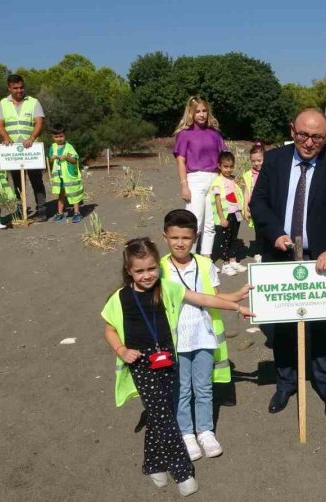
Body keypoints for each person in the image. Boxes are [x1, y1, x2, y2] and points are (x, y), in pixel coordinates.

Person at [100, 237, 253, 497]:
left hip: (168, 358)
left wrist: (237, 306)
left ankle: (153, 464)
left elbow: (203, 299)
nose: (147, 275)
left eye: (151, 268)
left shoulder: (167, 288)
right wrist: (121, 350)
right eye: (139, 270)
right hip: (140, 361)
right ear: (129, 271)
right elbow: (109, 329)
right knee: (164, 415)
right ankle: (182, 472)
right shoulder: (120, 298)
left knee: (161, 411)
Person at [249, 108, 326, 420]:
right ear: (292, 130)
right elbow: (258, 203)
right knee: (283, 325)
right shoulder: (274, 159)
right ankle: (286, 382)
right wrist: (275, 233)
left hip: (322, 258)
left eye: (317, 137)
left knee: (325, 325)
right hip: (281, 254)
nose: (309, 143)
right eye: (303, 135)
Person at [160, 210, 243, 462]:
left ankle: (205, 431)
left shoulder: (206, 265)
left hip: (205, 337)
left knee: (204, 387)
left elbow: (214, 297)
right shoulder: (159, 268)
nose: (180, 243)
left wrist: (237, 297)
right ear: (165, 237)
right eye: (174, 237)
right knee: (182, 388)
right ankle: (186, 433)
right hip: (177, 342)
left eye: (186, 237)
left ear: (195, 237)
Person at [174, 96, 228, 258]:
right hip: (195, 180)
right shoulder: (184, 134)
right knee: (194, 221)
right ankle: (189, 258)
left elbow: (224, 157)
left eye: (204, 111)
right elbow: (181, 160)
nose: (202, 114)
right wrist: (184, 185)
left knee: (210, 223)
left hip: (214, 179)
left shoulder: (214, 134)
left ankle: (206, 258)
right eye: (197, 111)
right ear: (191, 113)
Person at [0, 74, 47, 221]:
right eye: (15, 88)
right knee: (17, 182)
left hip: (31, 149)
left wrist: (31, 138)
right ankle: (20, 209)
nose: (19, 90)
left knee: (36, 180)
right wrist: (6, 137)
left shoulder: (33, 102)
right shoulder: (3, 103)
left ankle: (42, 210)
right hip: (12, 150)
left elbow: (39, 122)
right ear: (9, 88)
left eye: (21, 87)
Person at [209, 151, 246, 275]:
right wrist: (221, 218)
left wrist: (241, 210)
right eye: (225, 166)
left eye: (231, 166)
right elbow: (217, 201)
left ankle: (233, 260)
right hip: (226, 215)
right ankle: (225, 264)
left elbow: (238, 195)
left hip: (236, 213)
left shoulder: (233, 179)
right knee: (225, 239)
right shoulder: (217, 181)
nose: (228, 169)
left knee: (234, 237)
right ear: (219, 166)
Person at [48, 124, 84, 223]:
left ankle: (77, 212)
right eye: (56, 137)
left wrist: (66, 157)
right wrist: (52, 158)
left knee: (73, 193)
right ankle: (60, 213)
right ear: (52, 137)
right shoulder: (53, 147)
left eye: (61, 136)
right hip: (59, 177)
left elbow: (74, 159)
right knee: (61, 194)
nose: (59, 139)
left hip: (69, 176)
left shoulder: (69, 147)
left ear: (65, 135)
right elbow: (49, 160)